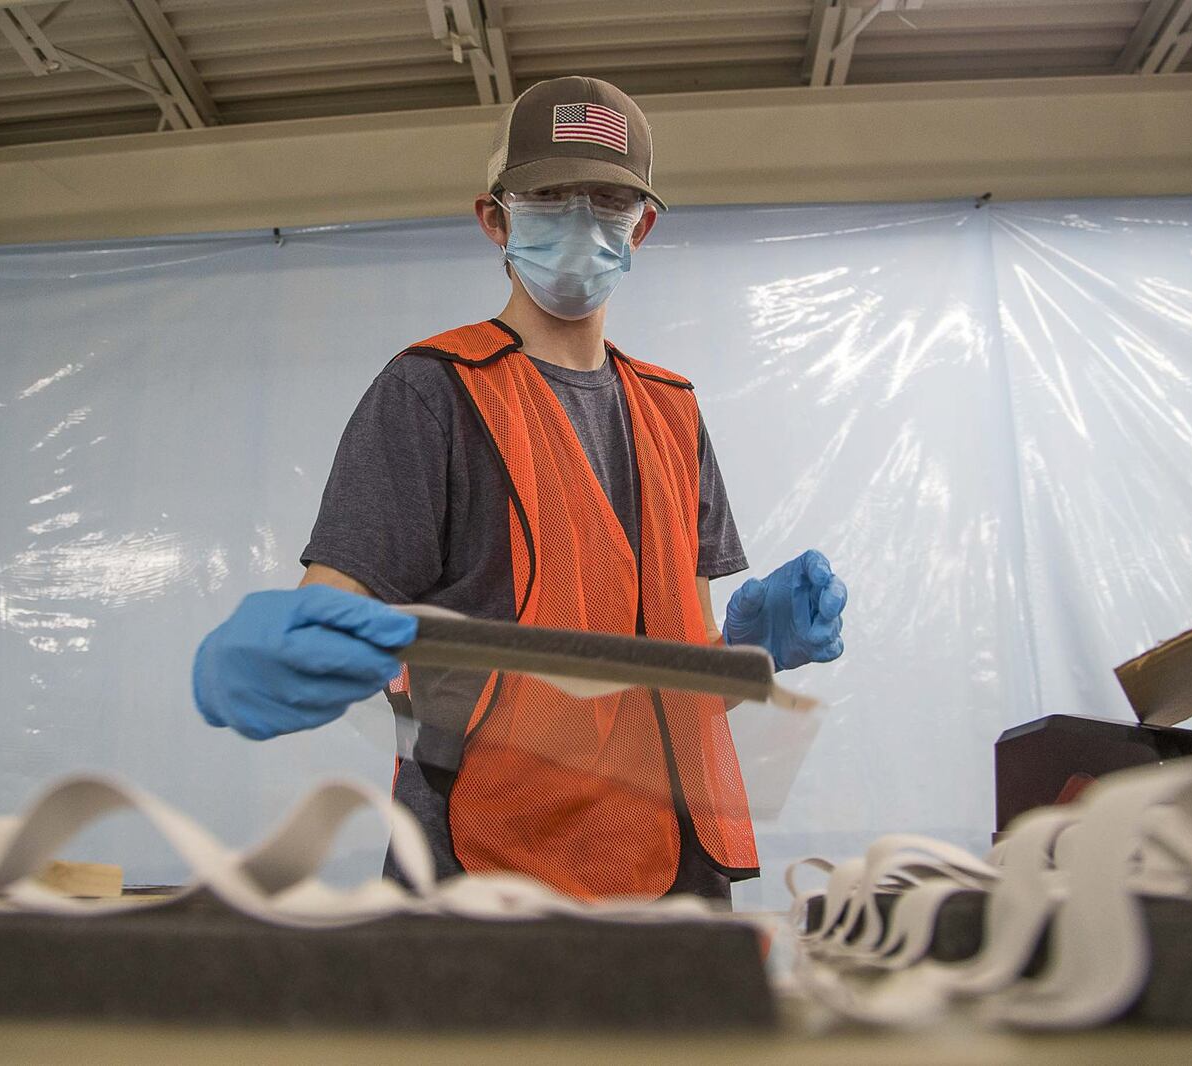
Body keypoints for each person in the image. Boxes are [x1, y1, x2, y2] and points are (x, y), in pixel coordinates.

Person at [193, 77, 846, 903]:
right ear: (495, 218)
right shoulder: (433, 391)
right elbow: (336, 599)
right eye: (549, 195)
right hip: (485, 865)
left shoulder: (673, 411)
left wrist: (752, 656)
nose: (580, 219)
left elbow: (669, 668)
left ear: (640, 226)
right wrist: (289, 643)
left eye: (607, 198)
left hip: (673, 869)